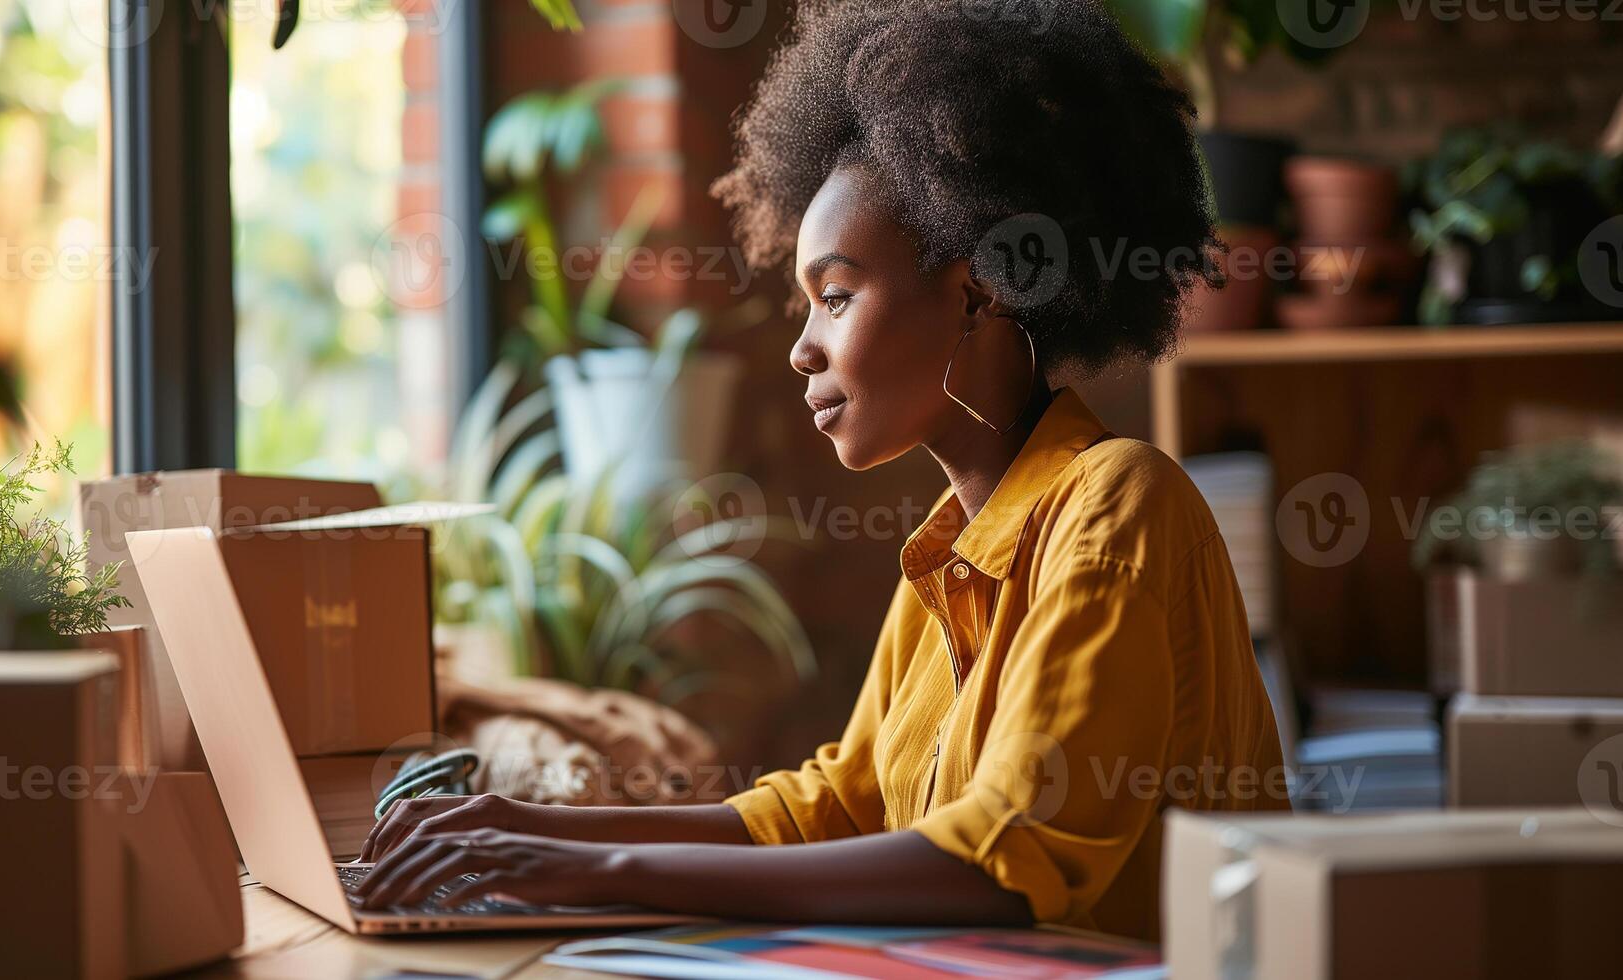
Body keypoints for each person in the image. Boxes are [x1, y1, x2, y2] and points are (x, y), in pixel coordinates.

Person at [354, 0, 1287, 940]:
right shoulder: (947, 555)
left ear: (978, 292)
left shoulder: (1119, 502)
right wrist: (535, 832)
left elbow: (999, 862)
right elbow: (830, 808)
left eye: (834, 297)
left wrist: (597, 868)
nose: (802, 349)